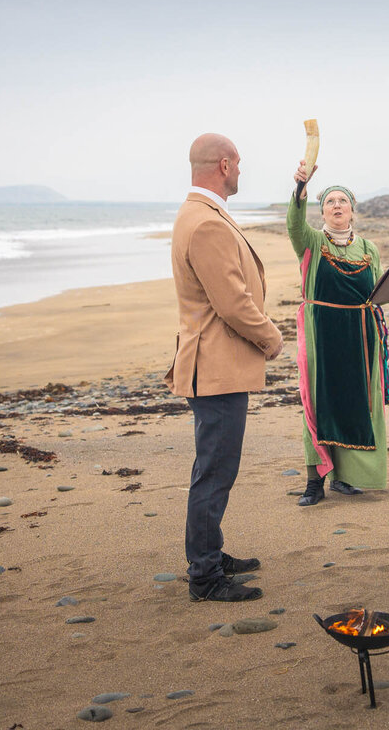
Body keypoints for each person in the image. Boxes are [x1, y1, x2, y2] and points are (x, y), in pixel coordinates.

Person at [165, 133, 284, 602]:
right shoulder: (206, 222)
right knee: (214, 470)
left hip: (212, 363)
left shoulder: (199, 213)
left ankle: (210, 553)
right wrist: (270, 337)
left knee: (214, 466)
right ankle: (205, 575)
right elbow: (231, 301)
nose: (241, 171)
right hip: (214, 364)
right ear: (224, 164)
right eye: (238, 163)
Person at [287, 161, 389, 506]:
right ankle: (314, 481)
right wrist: (301, 189)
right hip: (322, 333)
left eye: (342, 201)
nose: (336, 206)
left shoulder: (368, 249)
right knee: (318, 405)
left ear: (352, 210)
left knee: (356, 403)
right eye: (330, 201)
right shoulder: (312, 243)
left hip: (361, 335)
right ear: (322, 210)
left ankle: (346, 477)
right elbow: (294, 224)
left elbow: (377, 292)